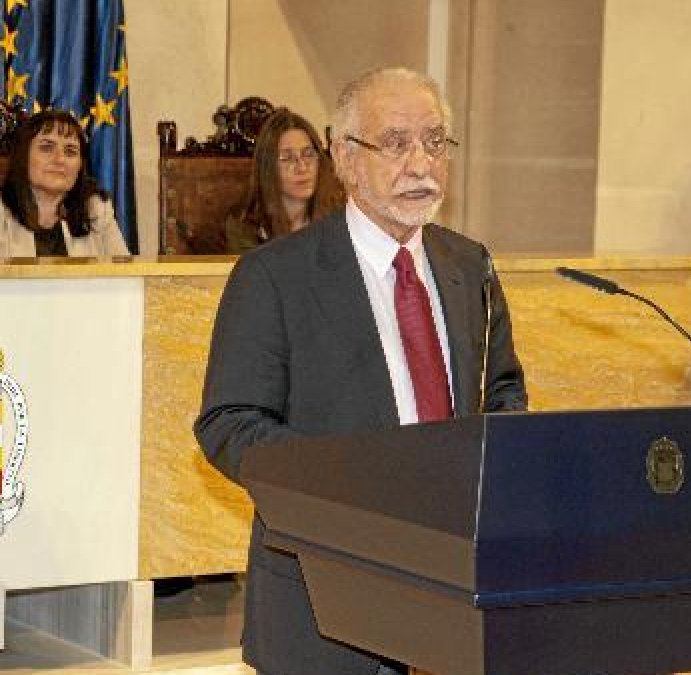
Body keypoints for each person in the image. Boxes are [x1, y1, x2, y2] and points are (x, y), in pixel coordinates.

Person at [194, 67, 527, 675]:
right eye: (396, 142)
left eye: (435, 141)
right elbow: (229, 424)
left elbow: (502, 391)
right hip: (325, 602)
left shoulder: (470, 265)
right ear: (345, 159)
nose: (421, 163)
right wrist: (354, 489)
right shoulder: (274, 276)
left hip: (456, 593)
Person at [0, 109, 130, 257]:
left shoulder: (96, 210)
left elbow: (126, 282)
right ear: (23, 157)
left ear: (80, 166)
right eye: (47, 148)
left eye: (70, 151)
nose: (60, 159)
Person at [224, 108, 343, 254]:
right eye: (287, 158)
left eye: (308, 154)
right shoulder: (245, 226)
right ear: (268, 167)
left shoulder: (338, 219)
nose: (302, 167)